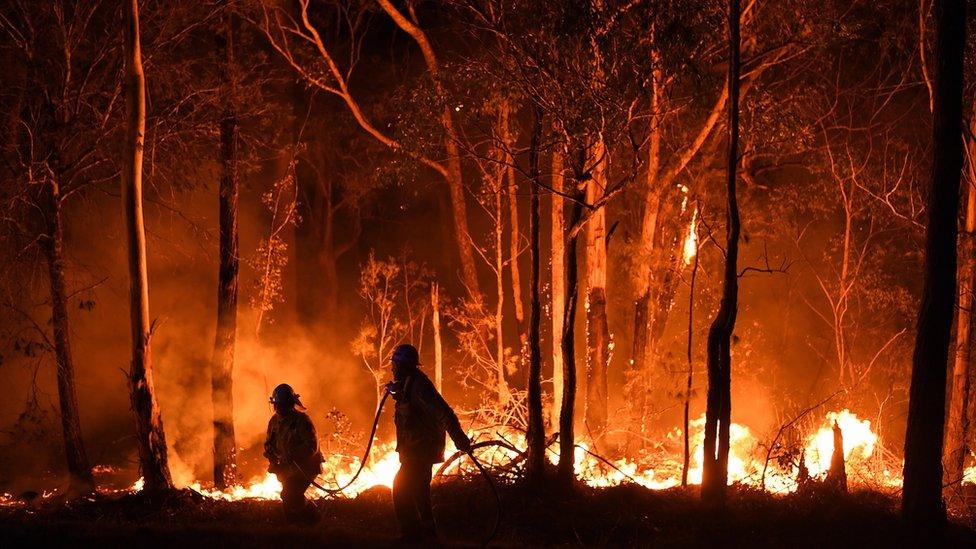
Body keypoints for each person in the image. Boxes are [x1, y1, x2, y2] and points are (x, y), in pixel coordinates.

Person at [386, 343, 472, 543]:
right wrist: (397, 394)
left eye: (395, 364)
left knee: (400, 489)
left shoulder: (419, 387)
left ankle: (411, 535)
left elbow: (444, 413)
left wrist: (459, 438)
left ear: (403, 365)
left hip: (421, 449)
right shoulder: (409, 383)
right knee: (419, 492)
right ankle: (428, 534)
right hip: (414, 448)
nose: (392, 368)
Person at [264, 383, 322, 523]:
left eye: (284, 404)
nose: (281, 408)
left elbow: (311, 447)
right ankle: (296, 524)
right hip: (286, 468)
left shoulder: (302, 420)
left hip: (305, 468)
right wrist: (271, 457)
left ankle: (313, 517)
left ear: (291, 404)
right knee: (288, 497)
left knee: (289, 494)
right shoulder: (274, 421)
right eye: (278, 405)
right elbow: (269, 444)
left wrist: (292, 455)